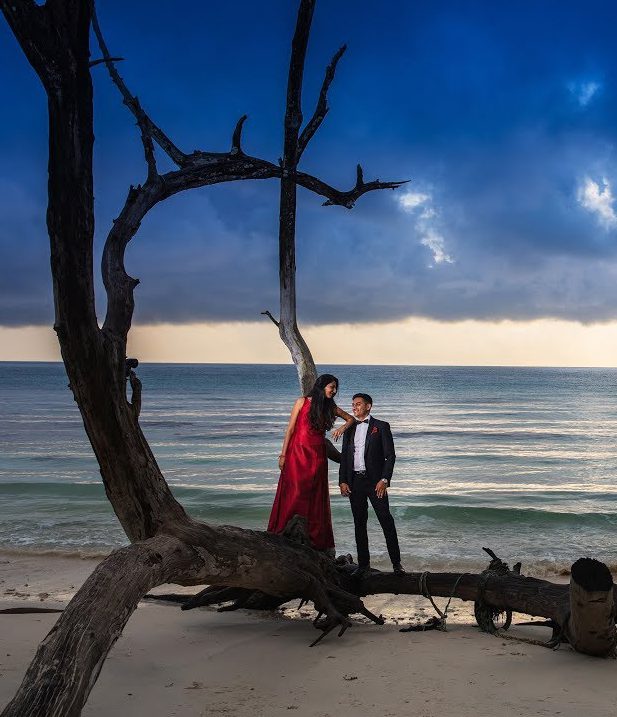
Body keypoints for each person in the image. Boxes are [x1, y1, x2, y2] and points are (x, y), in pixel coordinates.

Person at [268, 374, 355, 551]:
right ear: (321, 386)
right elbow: (290, 429)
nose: (334, 391)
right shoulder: (302, 402)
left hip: (317, 454)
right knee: (294, 490)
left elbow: (351, 419)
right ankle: (286, 530)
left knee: (315, 495)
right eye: (331, 387)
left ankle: (313, 537)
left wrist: (341, 428)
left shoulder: (331, 407)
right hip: (297, 452)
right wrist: (283, 455)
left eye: (335, 388)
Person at [339, 392, 405, 576]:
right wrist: (342, 481)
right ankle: (363, 566)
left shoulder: (381, 426)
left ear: (368, 406)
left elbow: (390, 456)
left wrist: (384, 479)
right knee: (359, 523)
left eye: (358, 404)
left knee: (386, 520)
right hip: (355, 482)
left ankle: (397, 564)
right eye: (353, 404)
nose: (354, 407)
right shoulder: (349, 429)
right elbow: (345, 457)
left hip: (376, 482)